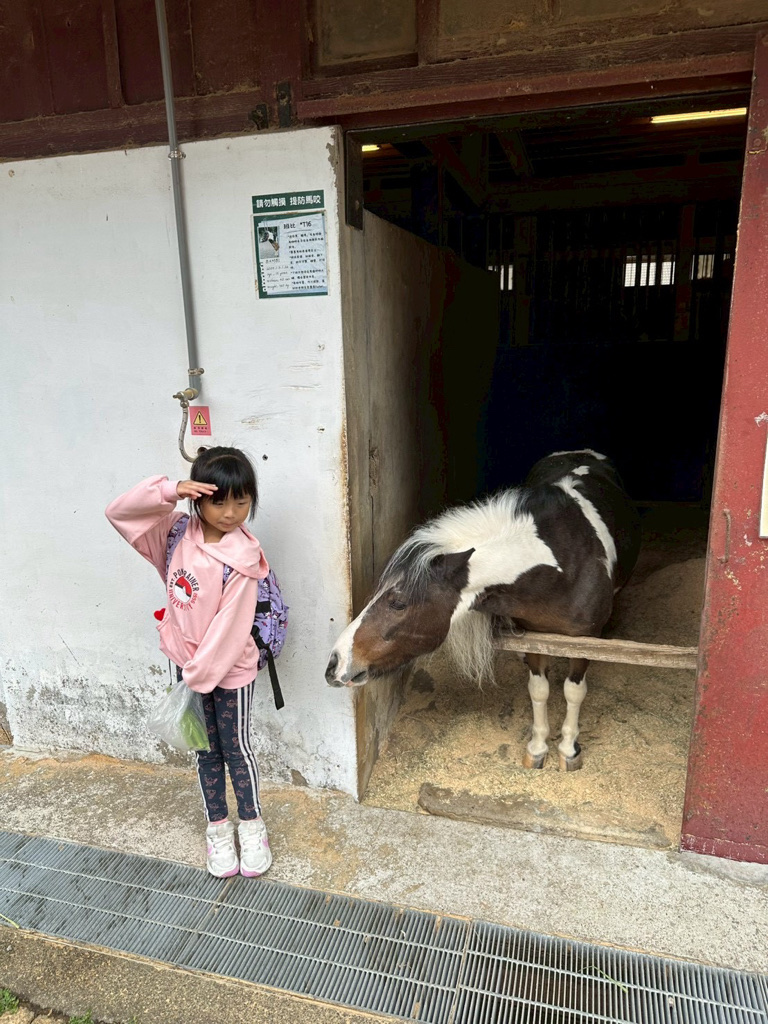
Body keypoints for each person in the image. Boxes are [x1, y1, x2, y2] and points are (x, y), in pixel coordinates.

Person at [106, 447, 273, 879]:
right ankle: (218, 829)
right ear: (198, 499)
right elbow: (119, 513)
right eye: (219, 502)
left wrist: (194, 679)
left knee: (236, 750)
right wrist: (169, 490)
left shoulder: (245, 558)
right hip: (186, 667)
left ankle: (252, 826)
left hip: (230, 672)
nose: (231, 513)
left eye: (242, 502)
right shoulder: (175, 534)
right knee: (205, 751)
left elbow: (229, 630)